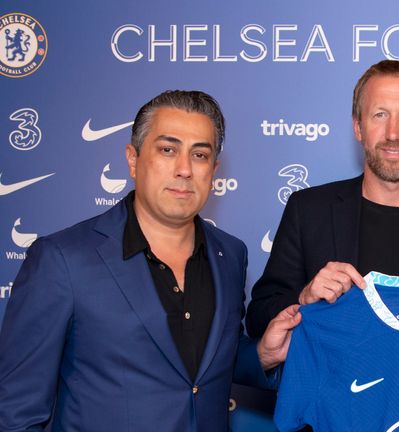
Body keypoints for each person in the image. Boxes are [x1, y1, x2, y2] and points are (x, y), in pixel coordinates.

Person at [0, 90, 300, 431]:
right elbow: (16, 412)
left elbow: (203, 366)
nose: (184, 169)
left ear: (214, 169)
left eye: (199, 154)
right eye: (168, 150)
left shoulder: (230, 254)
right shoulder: (62, 259)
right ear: (133, 159)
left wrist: (262, 353)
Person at [247, 60, 399, 337]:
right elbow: (257, 319)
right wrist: (304, 298)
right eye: (379, 114)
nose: (393, 134)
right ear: (358, 127)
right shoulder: (308, 212)